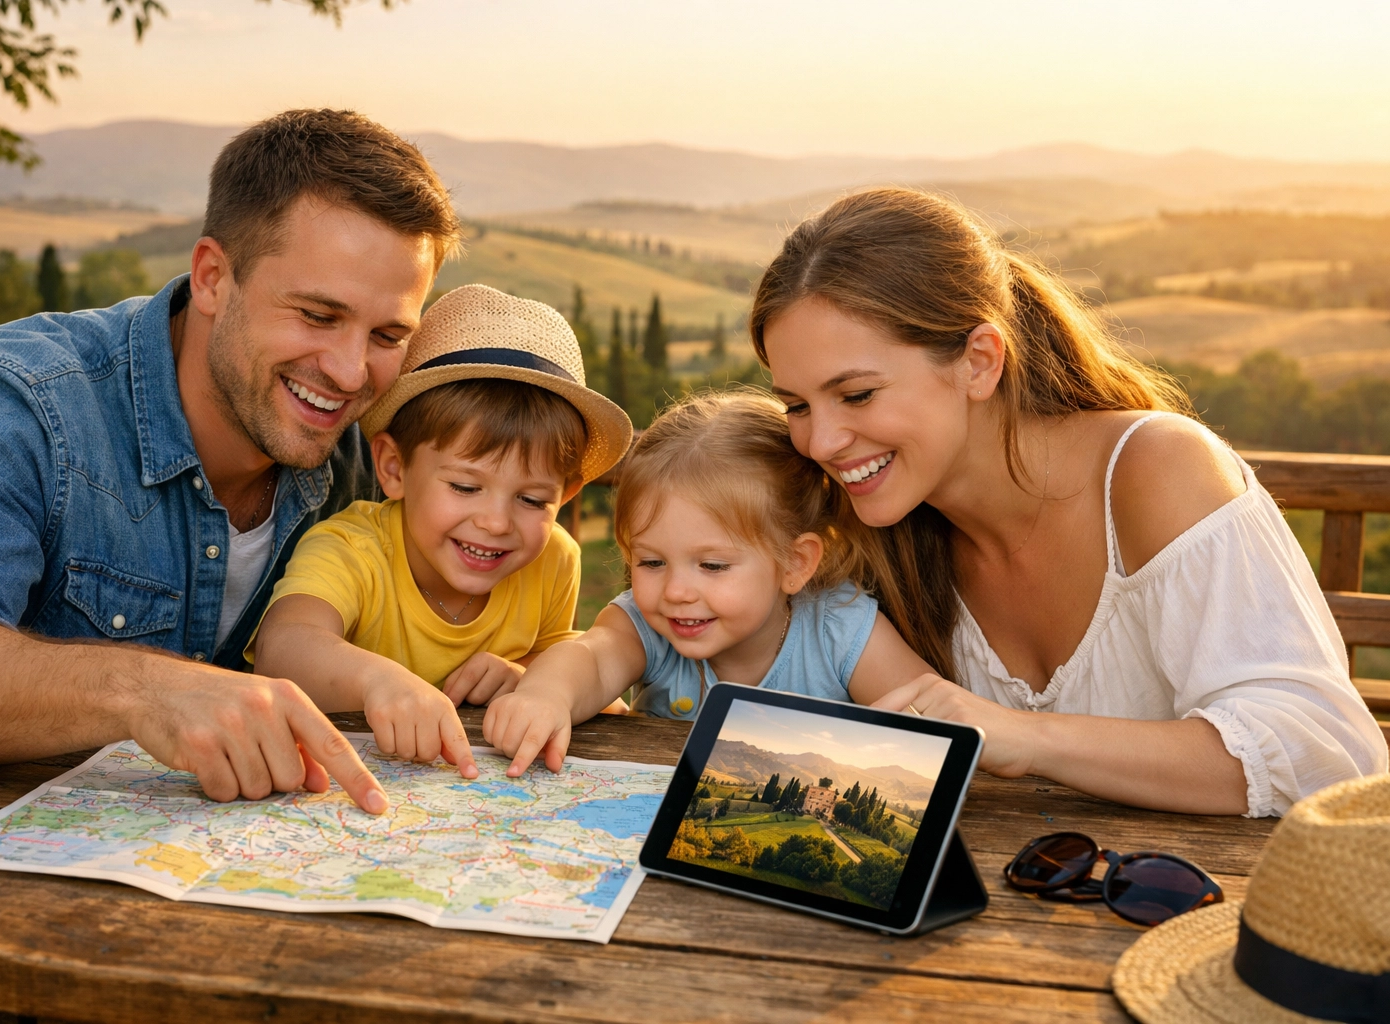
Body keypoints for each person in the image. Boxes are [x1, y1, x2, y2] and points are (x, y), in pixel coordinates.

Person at [0, 109, 461, 813]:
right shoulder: (12, 402)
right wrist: (145, 692)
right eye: (318, 316)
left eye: (388, 334)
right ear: (211, 278)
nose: (352, 372)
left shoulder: (367, 459)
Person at [753, 186, 1388, 817]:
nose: (822, 441)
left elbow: (1327, 756)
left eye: (858, 394)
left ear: (979, 361)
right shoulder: (875, 531)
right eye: (798, 406)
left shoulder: (1156, 470)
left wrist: (1022, 736)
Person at [249, 285, 632, 778]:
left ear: (568, 495)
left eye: (532, 500)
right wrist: (377, 682)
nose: (496, 523)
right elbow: (284, 648)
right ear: (393, 468)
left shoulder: (553, 558)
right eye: (465, 486)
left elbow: (557, 655)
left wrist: (528, 676)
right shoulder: (351, 548)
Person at [484, 391, 933, 776]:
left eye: (713, 566)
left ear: (795, 563)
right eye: (652, 561)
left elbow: (929, 723)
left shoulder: (839, 630)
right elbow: (591, 658)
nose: (676, 591)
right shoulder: (647, 626)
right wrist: (546, 695)